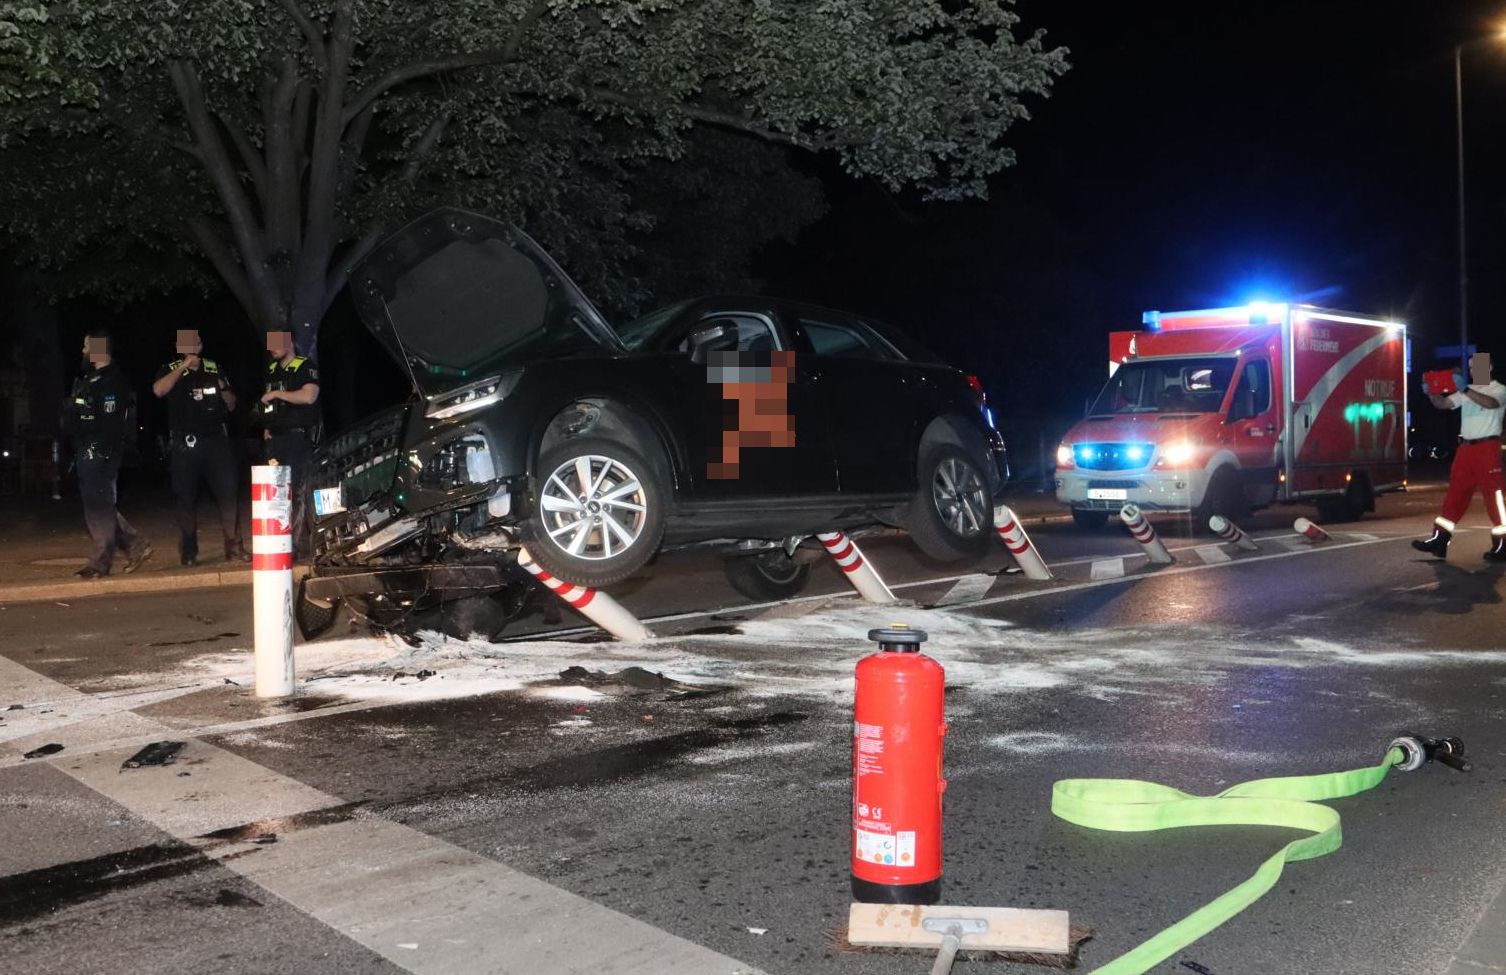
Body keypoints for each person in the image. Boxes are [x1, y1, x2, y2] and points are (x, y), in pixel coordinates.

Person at [152, 328, 250, 566]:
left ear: (200, 345)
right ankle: (189, 551)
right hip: (185, 444)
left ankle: (235, 547)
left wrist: (223, 388)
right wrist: (184, 366)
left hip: (216, 441)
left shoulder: (214, 368)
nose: (190, 347)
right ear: (178, 347)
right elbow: (159, 390)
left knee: (228, 493)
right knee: (185, 497)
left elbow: (232, 405)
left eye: (194, 342)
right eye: (184, 343)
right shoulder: (170, 368)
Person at [62, 329, 153, 578]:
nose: (83, 351)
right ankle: (135, 544)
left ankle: (100, 563)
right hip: (86, 449)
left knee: (98, 507)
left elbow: (108, 424)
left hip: (102, 451)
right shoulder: (88, 379)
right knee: (98, 504)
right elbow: (76, 415)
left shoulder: (114, 381)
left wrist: (95, 443)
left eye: (86, 346)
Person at [1412, 351, 1505, 562]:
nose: (1473, 371)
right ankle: (1440, 539)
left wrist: (1465, 389)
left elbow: (1491, 403)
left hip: (1487, 446)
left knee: (1494, 496)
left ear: (1489, 368)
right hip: (1466, 448)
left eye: (1477, 367)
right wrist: (1431, 392)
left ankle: (1503, 542)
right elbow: (1443, 404)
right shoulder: (1468, 390)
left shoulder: (1499, 389)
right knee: (1455, 493)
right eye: (1471, 367)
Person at [258, 329, 320, 554]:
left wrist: (278, 394)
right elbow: (269, 405)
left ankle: (292, 545)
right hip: (275, 439)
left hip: (297, 438)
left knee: (297, 490)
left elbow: (309, 396)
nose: (272, 348)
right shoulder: (272, 370)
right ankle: (279, 539)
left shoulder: (305, 366)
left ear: (290, 343)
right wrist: (267, 426)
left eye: (276, 343)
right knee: (277, 491)